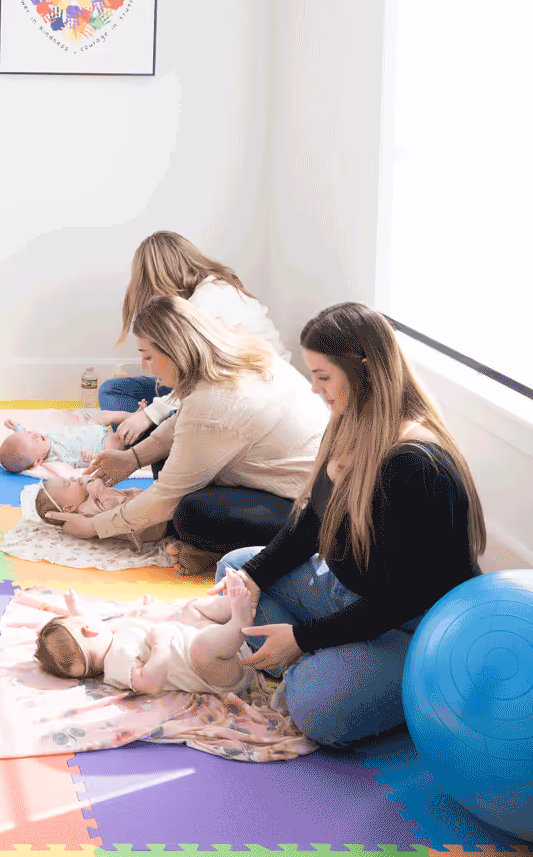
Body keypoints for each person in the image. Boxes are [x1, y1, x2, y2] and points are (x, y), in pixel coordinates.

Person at [210, 301, 485, 748]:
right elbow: (310, 527)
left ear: (362, 372)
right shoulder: (349, 422)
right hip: (350, 592)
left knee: (315, 707)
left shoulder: (412, 463)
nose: (316, 389)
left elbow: (404, 596)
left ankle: (327, 665)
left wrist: (301, 637)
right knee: (234, 572)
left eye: (323, 377)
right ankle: (328, 655)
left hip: (411, 625)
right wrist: (255, 576)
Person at [44, 296, 329, 574]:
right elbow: (183, 423)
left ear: (173, 352)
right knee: (161, 443)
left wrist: (95, 527)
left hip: (306, 514)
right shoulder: (235, 356)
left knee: (190, 514)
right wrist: (132, 458)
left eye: (148, 356)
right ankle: (197, 544)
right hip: (288, 479)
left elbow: (167, 494)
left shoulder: (216, 402)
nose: (145, 366)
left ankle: (216, 550)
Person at [100, 232, 291, 457]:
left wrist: (148, 415)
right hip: (216, 391)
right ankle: (138, 432)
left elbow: (203, 387)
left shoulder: (204, 307)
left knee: (175, 423)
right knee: (113, 390)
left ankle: (139, 438)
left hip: (236, 404)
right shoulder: (217, 289)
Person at [35, 569, 258, 696]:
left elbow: (90, 632)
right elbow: (150, 684)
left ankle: (233, 603)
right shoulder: (118, 661)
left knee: (191, 610)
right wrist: (160, 647)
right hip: (222, 673)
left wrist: (77, 611)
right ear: (89, 628)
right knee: (201, 648)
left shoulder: (109, 639)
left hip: (214, 644)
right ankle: (240, 621)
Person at [34, 476, 167, 545]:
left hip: (147, 506)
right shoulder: (86, 510)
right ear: (69, 508)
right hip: (152, 523)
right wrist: (96, 488)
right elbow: (110, 509)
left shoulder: (86, 493)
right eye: (68, 484)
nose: (73, 479)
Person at [0, 414, 126, 474]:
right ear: (38, 461)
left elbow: (23, 439)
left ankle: (136, 415)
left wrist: (17, 427)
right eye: (33, 439)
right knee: (119, 439)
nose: (34, 435)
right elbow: (75, 465)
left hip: (92, 428)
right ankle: (137, 433)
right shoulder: (56, 458)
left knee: (104, 416)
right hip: (100, 444)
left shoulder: (39, 441)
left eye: (29, 434)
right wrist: (85, 462)